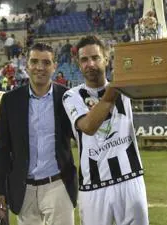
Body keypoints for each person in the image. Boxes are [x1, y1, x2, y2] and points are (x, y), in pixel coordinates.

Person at [62, 35, 148, 225]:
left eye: (95, 58)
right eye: (84, 59)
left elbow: (146, 64)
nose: (90, 64)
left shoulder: (125, 87)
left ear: (107, 60)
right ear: (78, 64)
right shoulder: (72, 95)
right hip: (94, 185)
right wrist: (114, 89)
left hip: (129, 178)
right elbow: (88, 127)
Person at [0, 43, 77, 225]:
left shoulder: (67, 97)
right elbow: (1, 149)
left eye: (46, 62)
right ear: (26, 65)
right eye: (34, 61)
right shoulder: (10, 100)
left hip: (58, 185)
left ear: (54, 66)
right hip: (24, 188)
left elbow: (83, 139)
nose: (40, 67)